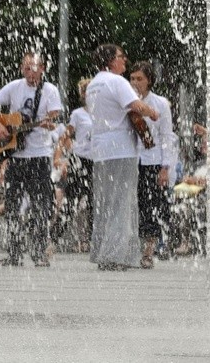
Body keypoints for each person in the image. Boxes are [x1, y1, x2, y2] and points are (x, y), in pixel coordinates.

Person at [0, 52, 63, 267]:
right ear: (21, 69)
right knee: (12, 204)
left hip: (39, 156)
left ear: (43, 69)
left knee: (40, 206)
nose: (31, 73)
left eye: (35, 68)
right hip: (16, 155)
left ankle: (38, 252)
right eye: (27, 68)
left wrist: (47, 123)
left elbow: (54, 117)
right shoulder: (14, 87)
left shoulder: (49, 91)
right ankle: (14, 253)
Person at [86, 44, 159, 271]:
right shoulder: (116, 81)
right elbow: (136, 105)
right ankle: (116, 256)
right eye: (120, 57)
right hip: (120, 149)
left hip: (101, 149)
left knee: (105, 203)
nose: (124, 60)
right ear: (110, 60)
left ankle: (102, 252)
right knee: (122, 203)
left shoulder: (92, 85)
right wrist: (153, 112)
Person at [129, 61, 177, 269]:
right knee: (134, 205)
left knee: (151, 205)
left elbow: (167, 136)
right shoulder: (127, 101)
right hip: (131, 159)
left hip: (152, 159)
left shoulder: (160, 104)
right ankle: (131, 248)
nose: (135, 82)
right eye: (132, 78)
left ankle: (148, 250)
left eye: (140, 79)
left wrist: (165, 167)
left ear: (149, 81)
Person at [56, 78, 94, 252]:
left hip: (99, 162)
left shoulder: (105, 112)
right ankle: (53, 240)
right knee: (71, 201)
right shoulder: (78, 114)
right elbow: (66, 135)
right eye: (87, 91)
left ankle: (95, 244)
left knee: (96, 204)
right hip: (80, 160)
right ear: (83, 95)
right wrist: (63, 154)